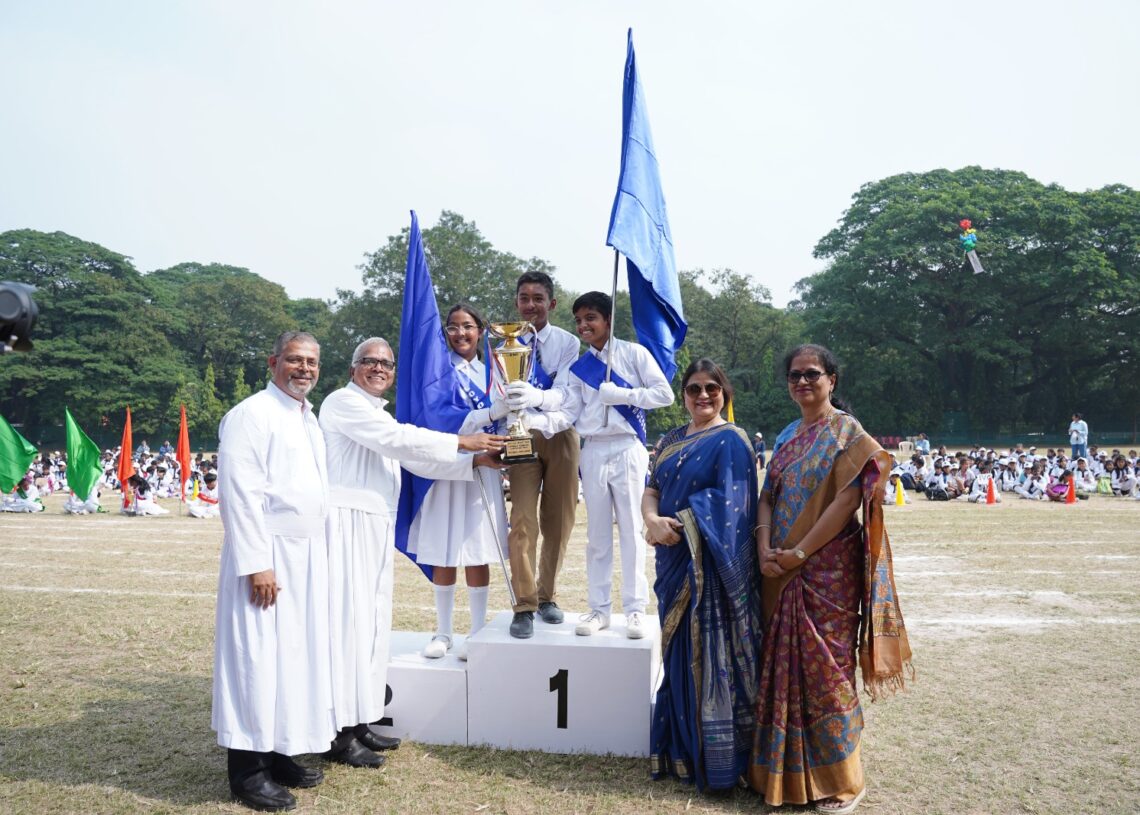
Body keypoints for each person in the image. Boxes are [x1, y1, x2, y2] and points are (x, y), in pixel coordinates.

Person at [319, 337, 506, 763]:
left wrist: (476, 461)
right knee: (347, 626)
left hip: (371, 527)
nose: (379, 368)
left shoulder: (373, 412)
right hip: (344, 525)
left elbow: (416, 461)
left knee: (369, 626)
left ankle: (359, 718)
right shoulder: (342, 404)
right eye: (369, 361)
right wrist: (464, 444)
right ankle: (336, 733)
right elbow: (401, 441)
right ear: (353, 369)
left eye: (386, 362)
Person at [750, 344, 912, 815]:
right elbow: (767, 496)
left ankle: (844, 783)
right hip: (776, 570)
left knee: (828, 674)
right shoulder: (785, 437)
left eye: (812, 374)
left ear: (832, 380)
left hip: (826, 574)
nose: (803, 382)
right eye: (795, 375)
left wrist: (799, 553)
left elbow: (845, 504)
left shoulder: (849, 434)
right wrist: (764, 548)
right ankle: (777, 777)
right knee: (780, 673)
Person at [212, 331, 332, 812]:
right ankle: (246, 769)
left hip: (306, 554)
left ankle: (279, 750)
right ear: (273, 361)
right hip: (268, 556)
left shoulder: (307, 416)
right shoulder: (250, 416)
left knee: (292, 657)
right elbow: (240, 496)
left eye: (311, 362)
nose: (304, 369)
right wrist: (257, 563)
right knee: (256, 658)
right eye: (294, 360)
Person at [642, 358, 760, 791]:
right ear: (684, 394)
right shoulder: (672, 438)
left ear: (724, 393)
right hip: (671, 561)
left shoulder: (732, 440)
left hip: (705, 562)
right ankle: (677, 751)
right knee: (675, 652)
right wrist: (651, 521)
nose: (704, 395)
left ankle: (712, 758)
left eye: (712, 388)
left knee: (706, 653)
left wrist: (688, 525)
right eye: (694, 388)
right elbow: (651, 488)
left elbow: (734, 505)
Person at [528, 291, 674, 638]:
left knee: (632, 531)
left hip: (627, 447)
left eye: (590, 318)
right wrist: (534, 415)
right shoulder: (581, 368)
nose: (583, 326)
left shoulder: (634, 353)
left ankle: (636, 609)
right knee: (597, 535)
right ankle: (599, 609)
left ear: (608, 320)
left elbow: (664, 394)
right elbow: (569, 408)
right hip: (592, 448)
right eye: (578, 320)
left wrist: (623, 395)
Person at [410, 306, 511, 661]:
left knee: (477, 549)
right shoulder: (436, 373)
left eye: (467, 326)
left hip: (483, 470)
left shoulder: (492, 374)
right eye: (452, 327)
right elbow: (439, 417)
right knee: (444, 548)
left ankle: (478, 630)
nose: (460, 333)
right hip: (447, 467)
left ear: (480, 331)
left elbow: (505, 423)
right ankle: (443, 631)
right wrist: (490, 413)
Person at [497, 271, 582, 639]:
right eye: (524, 298)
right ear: (516, 301)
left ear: (552, 303)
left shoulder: (567, 343)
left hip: (560, 434)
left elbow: (567, 395)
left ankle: (548, 596)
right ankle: (525, 603)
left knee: (559, 521)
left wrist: (536, 402)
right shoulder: (500, 341)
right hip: (521, 437)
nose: (530, 305)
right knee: (522, 522)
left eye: (537, 298)